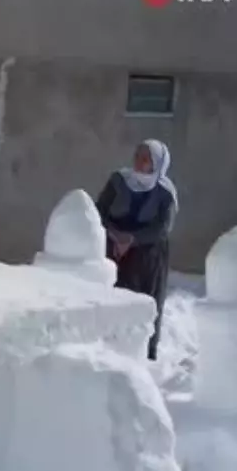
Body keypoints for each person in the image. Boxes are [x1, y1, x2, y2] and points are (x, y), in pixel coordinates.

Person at [95, 139, 179, 361]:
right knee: (112, 296)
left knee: (146, 301)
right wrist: (114, 235)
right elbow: (98, 212)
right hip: (114, 249)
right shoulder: (119, 181)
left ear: (158, 164)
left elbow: (161, 228)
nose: (139, 162)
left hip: (148, 255)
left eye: (146, 159)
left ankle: (144, 353)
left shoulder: (165, 192)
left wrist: (132, 239)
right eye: (137, 156)